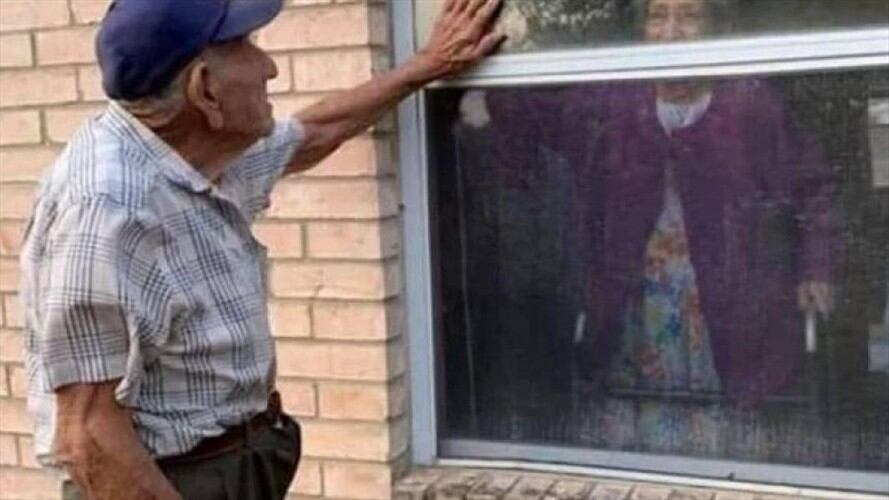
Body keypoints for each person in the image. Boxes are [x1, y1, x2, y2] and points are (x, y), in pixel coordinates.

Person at [18, 0, 504, 499]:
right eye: (248, 47)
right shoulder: (108, 210)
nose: (269, 67)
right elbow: (89, 438)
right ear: (205, 89)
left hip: (228, 465)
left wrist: (426, 67)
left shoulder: (190, 154)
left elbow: (312, 135)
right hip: (163, 482)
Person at [471, 0, 840, 452]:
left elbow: (814, 187)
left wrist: (815, 266)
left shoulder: (751, 103)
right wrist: (493, 41)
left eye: (688, 17)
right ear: (642, 29)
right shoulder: (613, 100)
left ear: (712, 30)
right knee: (633, 424)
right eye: (657, 15)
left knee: (727, 436)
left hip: (732, 302)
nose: (671, 30)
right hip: (634, 303)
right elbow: (524, 110)